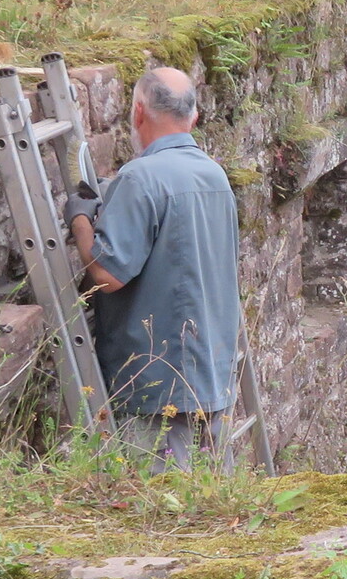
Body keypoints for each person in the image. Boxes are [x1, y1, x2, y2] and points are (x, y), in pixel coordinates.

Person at [66, 65, 242, 467]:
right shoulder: (214, 174)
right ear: (194, 117)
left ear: (139, 112)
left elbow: (107, 275)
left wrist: (80, 219)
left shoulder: (140, 178)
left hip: (159, 380)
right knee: (213, 489)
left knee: (162, 495)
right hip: (212, 368)